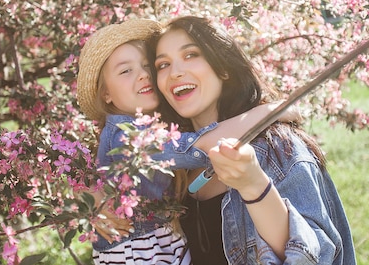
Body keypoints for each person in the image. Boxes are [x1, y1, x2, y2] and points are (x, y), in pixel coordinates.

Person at [76, 18, 302, 265]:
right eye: (125, 70)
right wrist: (269, 112)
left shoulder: (161, 127)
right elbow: (200, 146)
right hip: (141, 250)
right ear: (106, 93)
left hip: (161, 245)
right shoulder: (126, 134)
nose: (143, 75)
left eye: (147, 66)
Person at [150, 16, 357, 265]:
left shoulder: (278, 149)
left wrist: (254, 185)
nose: (175, 72)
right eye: (163, 65)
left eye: (191, 54)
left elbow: (312, 259)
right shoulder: (172, 164)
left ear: (223, 67)